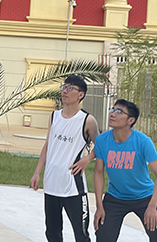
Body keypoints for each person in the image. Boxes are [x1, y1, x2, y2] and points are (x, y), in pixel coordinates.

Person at [30, 75, 100, 242]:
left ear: (81, 95)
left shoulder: (87, 120)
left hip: (73, 186)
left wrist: (87, 159)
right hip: (51, 183)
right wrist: (37, 172)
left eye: (70, 88)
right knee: (52, 233)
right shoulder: (54, 116)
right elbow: (48, 146)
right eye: (64, 87)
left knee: (81, 234)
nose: (65, 91)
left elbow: (102, 146)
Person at [93, 99, 157, 242]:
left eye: (119, 111)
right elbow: (98, 173)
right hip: (115, 197)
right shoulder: (102, 140)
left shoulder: (143, 141)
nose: (112, 114)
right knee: (103, 236)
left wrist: (152, 206)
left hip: (144, 197)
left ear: (131, 120)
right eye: (112, 109)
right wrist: (99, 206)